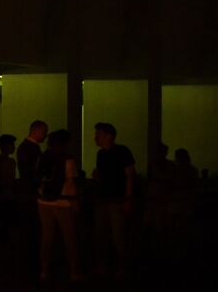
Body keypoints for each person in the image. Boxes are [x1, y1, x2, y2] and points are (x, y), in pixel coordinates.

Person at [91, 121, 135, 279]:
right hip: (104, 198)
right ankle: (107, 265)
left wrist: (128, 198)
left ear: (109, 136)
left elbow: (130, 175)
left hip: (116, 199)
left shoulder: (121, 152)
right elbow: (129, 175)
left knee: (118, 235)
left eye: (99, 134)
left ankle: (121, 266)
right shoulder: (101, 154)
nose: (96, 137)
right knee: (102, 234)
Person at [36, 128, 81, 282]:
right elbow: (70, 182)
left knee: (46, 236)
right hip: (62, 200)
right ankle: (74, 271)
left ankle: (44, 270)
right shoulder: (67, 158)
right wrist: (74, 202)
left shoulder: (43, 157)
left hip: (43, 199)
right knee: (69, 237)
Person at [16, 120, 47, 193]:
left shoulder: (25, 147)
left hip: (28, 188)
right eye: (44, 132)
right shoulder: (30, 148)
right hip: (31, 189)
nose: (45, 135)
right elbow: (31, 170)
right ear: (36, 131)